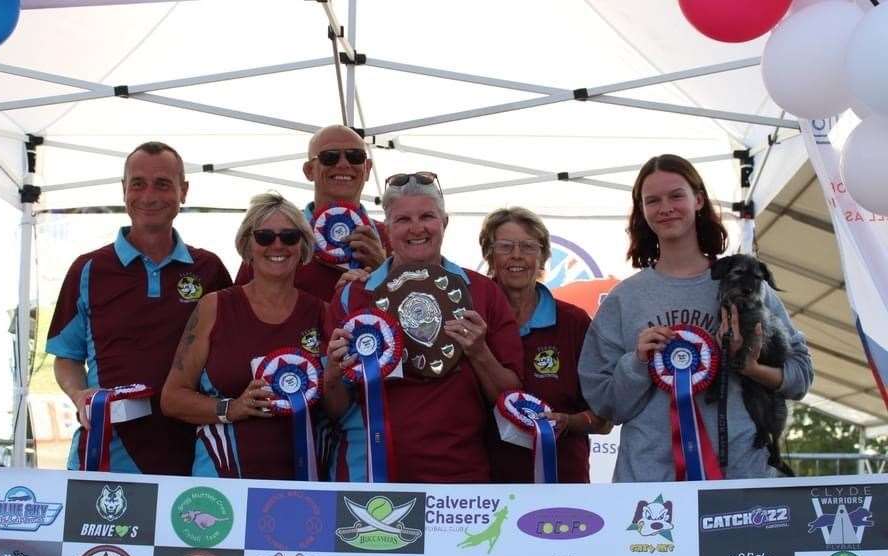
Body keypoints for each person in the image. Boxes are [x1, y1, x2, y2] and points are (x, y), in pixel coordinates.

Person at [578, 154, 812, 482]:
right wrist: (638, 363)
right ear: (642, 211)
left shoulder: (744, 283)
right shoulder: (624, 299)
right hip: (651, 489)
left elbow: (801, 375)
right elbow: (606, 406)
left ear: (698, 200)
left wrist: (750, 367)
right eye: (652, 201)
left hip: (740, 479)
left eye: (676, 195)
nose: (665, 208)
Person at [323, 172, 524, 482]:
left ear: (444, 222)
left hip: (458, 476)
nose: (416, 228)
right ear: (386, 228)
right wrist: (334, 375)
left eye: (427, 216)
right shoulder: (354, 296)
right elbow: (335, 409)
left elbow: (510, 397)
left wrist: (479, 352)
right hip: (368, 472)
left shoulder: (483, 292)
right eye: (403, 219)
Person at [47, 141, 232, 475]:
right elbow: (67, 357)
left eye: (163, 184)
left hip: (196, 457)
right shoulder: (87, 269)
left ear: (183, 191)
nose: (149, 196)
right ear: (124, 190)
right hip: (108, 455)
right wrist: (79, 394)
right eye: (138, 183)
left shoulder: (210, 269)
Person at [161, 193, 325, 479]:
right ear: (248, 245)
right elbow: (172, 398)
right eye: (264, 236)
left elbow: (336, 407)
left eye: (289, 236)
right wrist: (233, 408)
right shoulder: (214, 307)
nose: (277, 245)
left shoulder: (321, 311)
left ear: (303, 246)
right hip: (223, 487)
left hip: (302, 482)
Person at [478, 207, 610, 483]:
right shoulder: (473, 316)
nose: (517, 255)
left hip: (562, 482)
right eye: (505, 246)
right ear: (489, 255)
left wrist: (567, 422)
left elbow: (603, 419)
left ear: (543, 256)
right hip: (484, 490)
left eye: (528, 246)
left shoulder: (573, 322)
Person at [234, 125, 388, 301]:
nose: (344, 164)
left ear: (367, 168)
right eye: (329, 157)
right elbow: (239, 310)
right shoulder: (272, 238)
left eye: (355, 157)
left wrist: (383, 270)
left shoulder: (393, 239)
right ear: (309, 170)